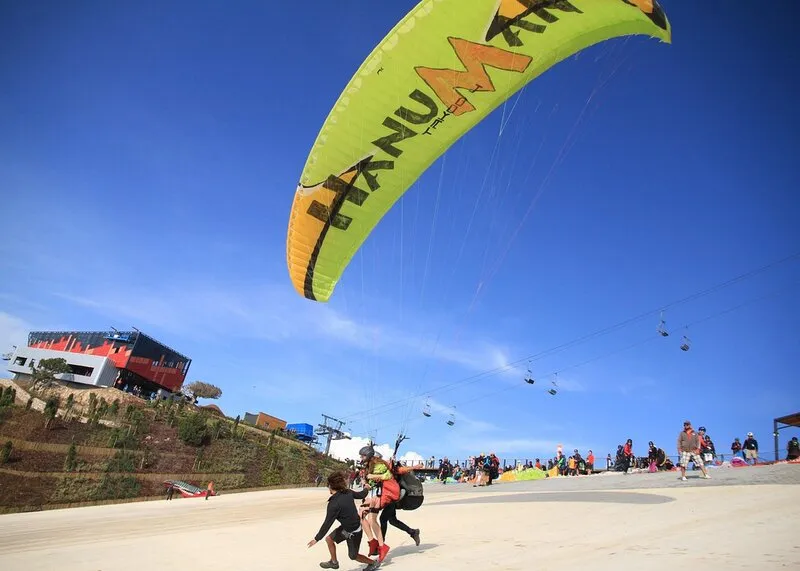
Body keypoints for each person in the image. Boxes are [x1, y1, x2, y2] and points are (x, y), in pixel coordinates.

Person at [307, 471, 379, 571]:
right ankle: (334, 562)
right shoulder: (347, 492)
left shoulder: (333, 504)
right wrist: (366, 487)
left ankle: (373, 563)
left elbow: (327, 523)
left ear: (330, 487)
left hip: (354, 532)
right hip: (346, 529)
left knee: (353, 556)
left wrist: (316, 539)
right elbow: (362, 495)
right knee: (329, 539)